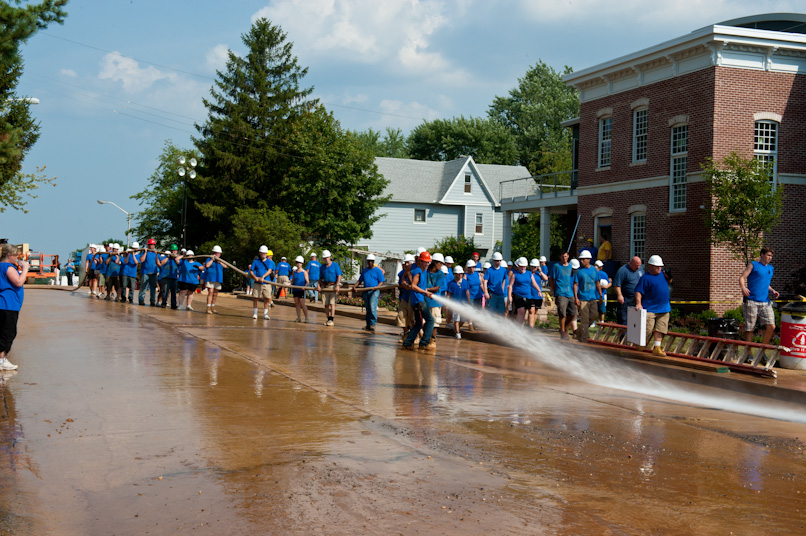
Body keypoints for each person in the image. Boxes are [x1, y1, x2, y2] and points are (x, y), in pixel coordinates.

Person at [739, 246, 779, 345]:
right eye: (768, 255)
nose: (770, 258)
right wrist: (743, 287)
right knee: (750, 328)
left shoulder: (771, 268)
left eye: (771, 256)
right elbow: (742, 277)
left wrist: (772, 290)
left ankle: (762, 349)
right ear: (762, 255)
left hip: (765, 302)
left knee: (771, 326)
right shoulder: (753, 265)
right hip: (752, 301)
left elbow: (765, 283)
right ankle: (748, 352)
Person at [635, 255, 672, 356]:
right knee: (647, 328)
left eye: (660, 266)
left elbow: (669, 282)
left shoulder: (663, 275)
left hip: (664, 308)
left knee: (661, 328)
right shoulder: (645, 278)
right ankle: (639, 343)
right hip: (650, 308)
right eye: (657, 266)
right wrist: (638, 303)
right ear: (650, 266)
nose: (659, 268)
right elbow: (638, 291)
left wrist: (670, 277)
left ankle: (657, 347)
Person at [0, 244, 28, 370]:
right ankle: (1, 359)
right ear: (9, 256)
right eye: (16, 255)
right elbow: (18, 281)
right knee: (8, 332)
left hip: (4, 304)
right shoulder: (8, 267)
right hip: (8, 304)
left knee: (3, 331)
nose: (17, 258)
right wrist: (25, 269)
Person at [401, 251, 436, 352]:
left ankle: (407, 343)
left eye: (428, 262)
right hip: (418, 301)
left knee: (419, 324)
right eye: (426, 262)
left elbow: (421, 286)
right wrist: (425, 293)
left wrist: (426, 292)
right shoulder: (418, 271)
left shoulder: (424, 270)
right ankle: (424, 343)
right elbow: (413, 286)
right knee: (430, 320)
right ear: (420, 261)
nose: (427, 264)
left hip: (418, 300)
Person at [573, 250, 601, 342]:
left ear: (588, 259)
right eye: (580, 259)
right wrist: (576, 298)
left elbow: (597, 283)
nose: (581, 261)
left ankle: (578, 332)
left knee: (593, 317)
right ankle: (585, 338)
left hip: (592, 298)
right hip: (582, 299)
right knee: (584, 319)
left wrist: (600, 295)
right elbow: (575, 284)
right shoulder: (578, 272)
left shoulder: (594, 271)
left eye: (583, 259)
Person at [354, 254, 385, 331]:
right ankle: (368, 324)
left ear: (373, 261)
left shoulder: (378, 271)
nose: (370, 262)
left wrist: (376, 287)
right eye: (369, 261)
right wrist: (355, 286)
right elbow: (360, 280)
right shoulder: (365, 270)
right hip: (366, 290)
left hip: (374, 291)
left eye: (371, 261)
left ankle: (373, 324)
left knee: (372, 307)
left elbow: (381, 281)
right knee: (368, 308)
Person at [549, 252, 577, 340]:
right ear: (560, 257)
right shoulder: (556, 266)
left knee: (573, 313)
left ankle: (564, 328)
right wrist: (554, 290)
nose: (564, 258)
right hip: (560, 292)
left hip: (570, 292)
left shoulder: (570, 267)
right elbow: (551, 278)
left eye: (565, 256)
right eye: (562, 256)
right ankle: (563, 331)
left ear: (568, 256)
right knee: (562, 312)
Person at [509, 257, 543, 327]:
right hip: (518, 294)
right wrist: (510, 295)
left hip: (527, 296)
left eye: (524, 266)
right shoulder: (515, 274)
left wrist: (539, 291)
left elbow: (534, 283)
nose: (523, 268)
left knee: (524, 312)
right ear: (518, 266)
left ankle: (521, 328)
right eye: (521, 266)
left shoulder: (529, 273)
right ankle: (518, 328)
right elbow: (510, 285)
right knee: (521, 311)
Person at [614, 256, 644, 326]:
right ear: (631, 263)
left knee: (636, 322)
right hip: (626, 299)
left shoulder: (641, 270)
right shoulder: (623, 270)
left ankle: (634, 336)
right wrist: (619, 295)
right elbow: (617, 285)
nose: (638, 267)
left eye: (639, 265)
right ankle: (623, 336)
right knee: (624, 320)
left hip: (637, 300)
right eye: (636, 266)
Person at [317, 250, 342, 326]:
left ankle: (331, 319)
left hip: (333, 286)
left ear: (330, 257)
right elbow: (320, 277)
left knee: (332, 303)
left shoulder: (335, 265)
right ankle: (328, 319)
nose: (326, 259)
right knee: (326, 303)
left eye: (327, 257)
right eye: (325, 258)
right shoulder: (322, 267)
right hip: (325, 286)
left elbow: (339, 275)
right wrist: (318, 285)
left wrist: (337, 285)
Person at [249, 246, 275, 320]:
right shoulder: (256, 261)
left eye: (265, 253)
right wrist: (255, 277)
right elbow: (251, 270)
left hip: (266, 283)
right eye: (262, 253)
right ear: (260, 253)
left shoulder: (269, 262)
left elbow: (270, 270)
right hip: (257, 283)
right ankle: (255, 313)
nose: (264, 254)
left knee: (266, 299)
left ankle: (265, 314)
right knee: (255, 298)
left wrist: (263, 277)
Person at [446, 265, 470, 338]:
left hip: (463, 303)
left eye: (460, 273)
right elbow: (448, 294)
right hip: (455, 304)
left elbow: (467, 292)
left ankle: (456, 328)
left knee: (463, 319)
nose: (459, 275)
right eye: (457, 273)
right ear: (455, 274)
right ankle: (457, 333)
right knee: (456, 319)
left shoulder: (465, 282)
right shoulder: (451, 283)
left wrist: (469, 302)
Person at [396, 254, 416, 341]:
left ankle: (414, 336)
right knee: (401, 316)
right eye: (404, 263)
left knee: (412, 319)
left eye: (407, 263)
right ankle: (406, 334)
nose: (405, 265)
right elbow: (401, 283)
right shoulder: (401, 273)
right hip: (404, 297)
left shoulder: (416, 271)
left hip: (413, 298)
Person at [425, 253, 446, 327]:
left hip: (435, 302)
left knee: (435, 323)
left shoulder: (440, 273)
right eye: (441, 263)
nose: (441, 265)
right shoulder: (425, 271)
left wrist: (426, 289)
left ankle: (433, 338)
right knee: (424, 322)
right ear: (435, 263)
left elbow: (437, 288)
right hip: (425, 301)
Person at [204, 245, 225, 314]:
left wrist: (220, 262)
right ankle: (208, 308)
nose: (218, 254)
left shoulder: (220, 261)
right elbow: (207, 265)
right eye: (217, 253)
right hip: (210, 278)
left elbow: (225, 267)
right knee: (210, 292)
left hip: (218, 279)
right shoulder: (209, 259)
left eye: (219, 253)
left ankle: (213, 307)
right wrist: (212, 259)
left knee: (215, 294)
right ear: (214, 253)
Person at [138, 239, 160, 306]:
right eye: (151, 244)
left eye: (153, 244)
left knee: (153, 288)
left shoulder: (156, 253)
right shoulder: (144, 252)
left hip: (153, 273)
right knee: (143, 287)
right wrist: (145, 252)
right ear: (148, 245)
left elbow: (158, 262)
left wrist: (156, 254)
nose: (152, 246)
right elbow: (141, 260)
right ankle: (141, 300)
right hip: (145, 272)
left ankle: (152, 301)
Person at [158, 244, 179, 309]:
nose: (174, 252)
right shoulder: (166, 256)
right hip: (166, 277)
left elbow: (178, 262)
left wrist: (176, 257)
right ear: (170, 251)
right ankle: (163, 303)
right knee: (165, 291)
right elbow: (162, 263)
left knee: (173, 292)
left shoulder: (177, 257)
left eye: (175, 251)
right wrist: (168, 257)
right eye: (172, 251)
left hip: (174, 277)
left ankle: (173, 304)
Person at [528, 258, 547, 328]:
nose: (533, 268)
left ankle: (532, 325)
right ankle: (530, 327)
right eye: (532, 266)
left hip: (538, 295)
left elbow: (546, 278)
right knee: (531, 311)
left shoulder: (539, 274)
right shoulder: (528, 273)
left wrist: (540, 271)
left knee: (535, 312)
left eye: (535, 267)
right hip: (530, 295)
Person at [291, 256, 309, 322]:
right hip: (295, 289)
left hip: (301, 290)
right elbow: (293, 281)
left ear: (302, 263)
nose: (298, 264)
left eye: (299, 263)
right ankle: (298, 317)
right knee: (297, 303)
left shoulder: (304, 272)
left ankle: (306, 317)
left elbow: (307, 282)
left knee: (302, 303)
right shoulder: (294, 272)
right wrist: (289, 284)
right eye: (297, 262)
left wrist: (305, 287)